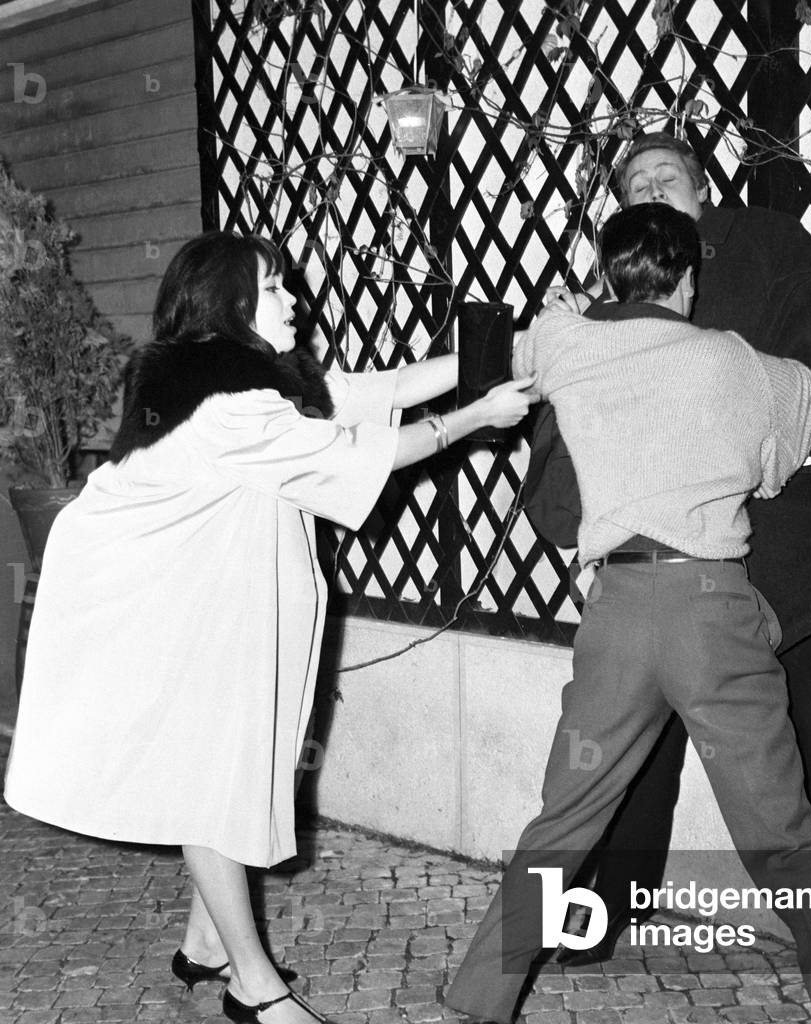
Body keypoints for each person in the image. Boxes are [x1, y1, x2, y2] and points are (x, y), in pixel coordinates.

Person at [3, 231, 536, 1024]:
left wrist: (503, 348)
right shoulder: (227, 406)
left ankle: (204, 943)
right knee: (214, 784)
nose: (296, 301)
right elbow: (358, 452)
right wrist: (477, 417)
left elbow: (366, 392)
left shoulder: (240, 379)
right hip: (164, 612)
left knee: (226, 767)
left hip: (201, 604)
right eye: (278, 288)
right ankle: (255, 988)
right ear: (235, 303)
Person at [445, 202, 811, 1024]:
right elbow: (789, 450)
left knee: (563, 820)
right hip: (710, 610)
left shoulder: (568, 341)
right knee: (785, 832)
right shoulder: (739, 362)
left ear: (610, 275)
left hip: (615, 611)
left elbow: (500, 353)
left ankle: (480, 996)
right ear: (690, 280)